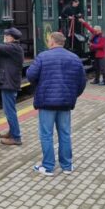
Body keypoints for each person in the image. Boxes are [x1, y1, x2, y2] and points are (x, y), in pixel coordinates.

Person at [25, 32, 86, 175]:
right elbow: (82, 82)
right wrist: (72, 95)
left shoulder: (42, 57)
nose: (47, 42)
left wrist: (40, 85)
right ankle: (67, 166)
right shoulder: (74, 58)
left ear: (52, 41)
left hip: (46, 102)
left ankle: (48, 166)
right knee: (65, 133)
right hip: (65, 103)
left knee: (46, 134)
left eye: (48, 40)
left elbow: (30, 75)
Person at [80, 20, 105, 85]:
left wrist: (92, 45)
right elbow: (89, 28)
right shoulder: (95, 33)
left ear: (99, 31)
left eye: (95, 31)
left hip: (101, 55)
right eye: (94, 31)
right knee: (96, 68)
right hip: (95, 54)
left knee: (102, 68)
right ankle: (96, 80)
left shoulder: (102, 37)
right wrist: (83, 22)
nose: (94, 32)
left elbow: (101, 46)